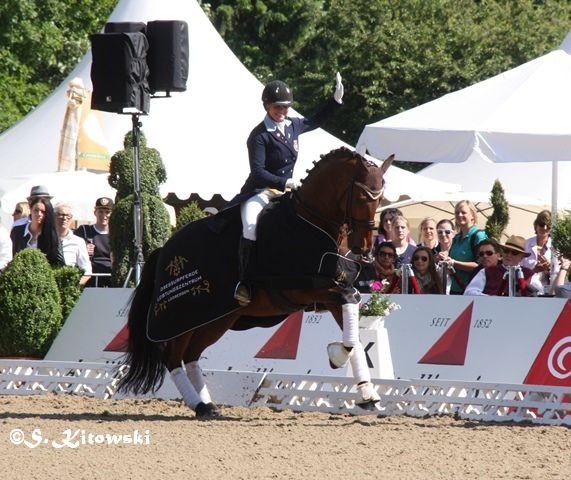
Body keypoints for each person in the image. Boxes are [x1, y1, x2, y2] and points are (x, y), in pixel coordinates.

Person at [233, 73, 344, 305]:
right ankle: (245, 282)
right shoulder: (259, 135)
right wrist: (284, 183)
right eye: (277, 108)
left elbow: (315, 121)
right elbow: (258, 171)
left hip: (287, 193)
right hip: (260, 191)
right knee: (250, 225)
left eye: (285, 107)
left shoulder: (293, 125)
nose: (282, 112)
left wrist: (334, 101)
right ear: (266, 106)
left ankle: (316, 280)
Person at [465, 236, 542, 296]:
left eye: (514, 253)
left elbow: (540, 294)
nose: (509, 255)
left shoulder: (530, 275)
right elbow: (469, 292)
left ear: (522, 257)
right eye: (506, 251)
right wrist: (491, 298)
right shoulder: (486, 272)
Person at [440, 200, 487, 294]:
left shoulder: (478, 236)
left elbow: (482, 265)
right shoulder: (456, 238)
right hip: (455, 290)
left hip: (473, 291)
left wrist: (454, 263)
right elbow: (452, 265)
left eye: (463, 212)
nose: (459, 215)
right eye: (457, 213)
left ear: (472, 216)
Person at [10, 196, 64, 267]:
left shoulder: (52, 235)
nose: (39, 214)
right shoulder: (17, 231)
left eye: (43, 212)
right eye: (36, 210)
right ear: (31, 210)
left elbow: (59, 264)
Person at [75, 197, 114, 287]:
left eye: (107, 212)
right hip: (89, 279)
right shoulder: (84, 231)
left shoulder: (116, 235)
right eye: (100, 211)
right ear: (95, 213)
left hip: (110, 279)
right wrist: (83, 250)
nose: (104, 215)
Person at [520, 210, 559, 293]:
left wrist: (549, 268)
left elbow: (560, 274)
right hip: (528, 291)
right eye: (542, 224)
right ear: (536, 225)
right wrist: (534, 269)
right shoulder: (526, 244)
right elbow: (519, 270)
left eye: (548, 226)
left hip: (549, 292)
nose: (544, 228)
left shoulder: (556, 247)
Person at [55, 203, 92, 285]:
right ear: (53, 216)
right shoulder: (44, 238)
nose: (64, 218)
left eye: (68, 216)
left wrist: (74, 286)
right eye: (60, 215)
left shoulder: (78, 242)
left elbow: (87, 270)